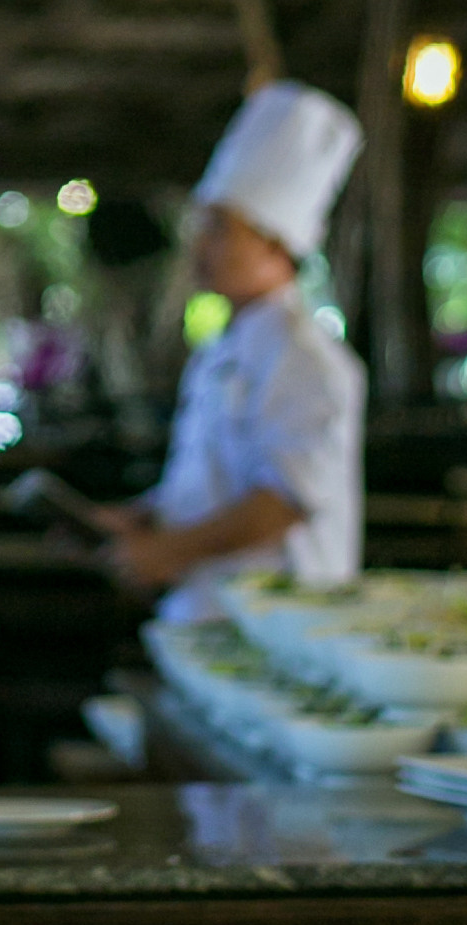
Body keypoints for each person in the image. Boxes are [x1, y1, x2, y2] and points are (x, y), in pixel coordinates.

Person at [100, 80, 366, 617]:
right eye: (202, 223)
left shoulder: (306, 359)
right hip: (212, 612)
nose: (200, 244)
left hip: (279, 626)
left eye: (220, 228)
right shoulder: (224, 348)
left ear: (275, 242)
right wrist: (148, 517)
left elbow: (284, 501)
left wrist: (170, 550)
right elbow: (215, 479)